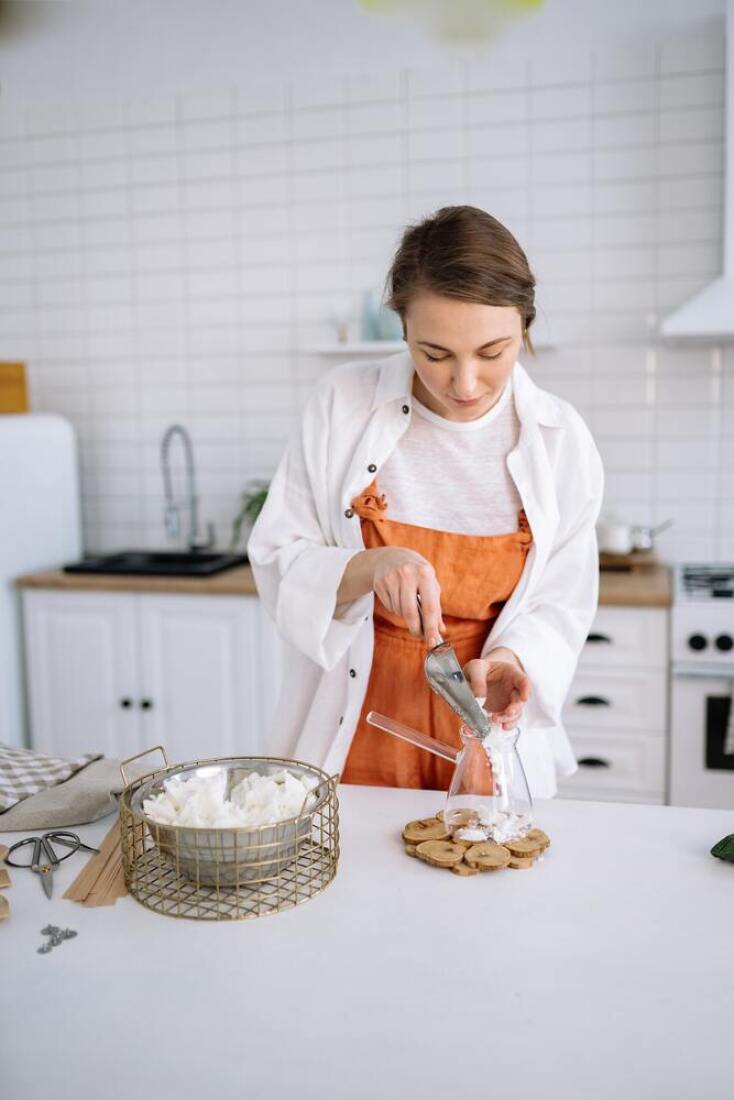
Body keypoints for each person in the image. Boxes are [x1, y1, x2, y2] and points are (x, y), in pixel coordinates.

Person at [248, 205, 604, 797]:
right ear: (402, 330)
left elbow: (563, 601)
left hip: (485, 721)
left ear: (526, 326)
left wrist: (515, 659)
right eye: (434, 354)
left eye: (493, 353)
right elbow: (276, 557)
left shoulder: (559, 439)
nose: (464, 384)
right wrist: (366, 567)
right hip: (352, 720)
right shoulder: (343, 404)